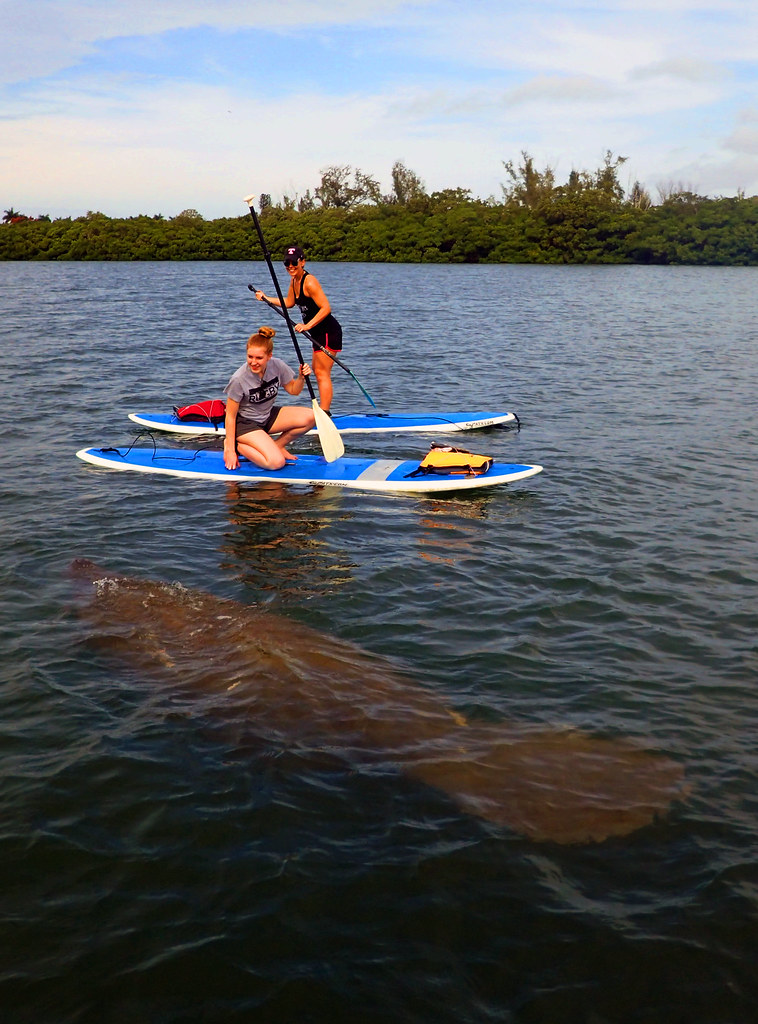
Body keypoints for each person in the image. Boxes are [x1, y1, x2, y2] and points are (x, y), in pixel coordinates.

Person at [255, 245, 343, 413]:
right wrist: (266, 298)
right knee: (318, 372)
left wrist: (307, 326)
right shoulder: (294, 280)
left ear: (302, 262)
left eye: (294, 262)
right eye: (287, 263)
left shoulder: (309, 282)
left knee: (321, 372)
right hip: (317, 333)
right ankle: (324, 411)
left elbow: (326, 308)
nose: (290, 267)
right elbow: (289, 303)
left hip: (328, 332)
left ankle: (325, 413)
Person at [223, 326, 315, 471]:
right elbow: (230, 415)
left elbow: (293, 390)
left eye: (259, 358)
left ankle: (278, 445)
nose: (253, 362)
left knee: (312, 416)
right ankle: (239, 445)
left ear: (269, 356)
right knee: (276, 463)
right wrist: (230, 449)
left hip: (267, 416)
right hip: (245, 424)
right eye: (250, 357)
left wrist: (301, 378)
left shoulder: (277, 365)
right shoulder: (238, 379)